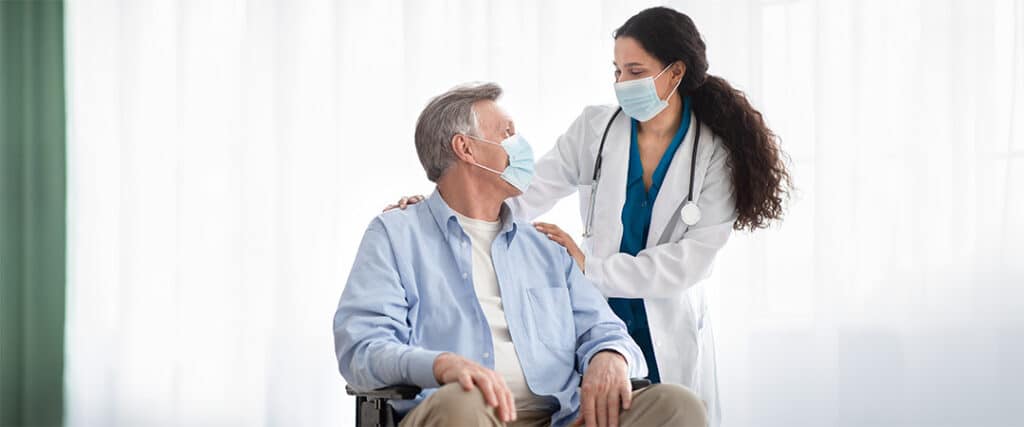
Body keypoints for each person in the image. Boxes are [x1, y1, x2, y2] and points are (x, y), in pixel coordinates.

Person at [386, 7, 792, 426]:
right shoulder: (596, 129)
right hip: (592, 320)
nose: (622, 84)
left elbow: (691, 262)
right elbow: (526, 190)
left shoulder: (712, 154)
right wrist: (442, 207)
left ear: (675, 73)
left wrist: (588, 267)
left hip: (663, 324)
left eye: (635, 71)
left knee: (673, 407)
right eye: (617, 71)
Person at [334, 82, 708, 427]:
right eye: (507, 133)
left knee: (677, 406)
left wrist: (612, 354)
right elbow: (361, 350)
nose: (520, 144)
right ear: (465, 148)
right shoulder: (396, 236)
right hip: (460, 414)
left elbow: (605, 329)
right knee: (463, 403)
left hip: (561, 417)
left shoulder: (545, 249)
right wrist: (438, 365)